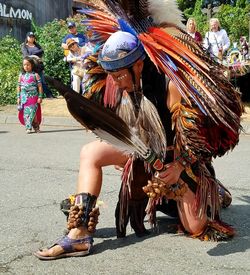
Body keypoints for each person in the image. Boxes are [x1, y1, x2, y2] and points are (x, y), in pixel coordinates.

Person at [34, 25, 241, 260]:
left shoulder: (171, 85)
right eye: (112, 76)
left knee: (195, 227)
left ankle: (213, 190)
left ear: (138, 65)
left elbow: (200, 140)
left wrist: (179, 167)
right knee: (91, 153)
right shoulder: (118, 82)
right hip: (145, 155)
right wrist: (124, 147)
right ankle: (79, 233)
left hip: (179, 160)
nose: (116, 82)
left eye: (120, 75)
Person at [21, 32, 54, 99]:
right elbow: (26, 56)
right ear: (27, 38)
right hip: (30, 67)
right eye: (30, 37)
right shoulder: (24, 46)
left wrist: (32, 54)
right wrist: (36, 55)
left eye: (33, 37)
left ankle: (49, 95)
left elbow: (42, 51)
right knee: (31, 82)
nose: (32, 38)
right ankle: (33, 96)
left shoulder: (37, 45)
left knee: (42, 81)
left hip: (39, 67)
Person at [17, 56, 43, 134]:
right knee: (26, 112)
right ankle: (28, 127)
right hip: (24, 97)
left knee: (33, 112)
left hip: (33, 96)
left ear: (32, 65)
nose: (26, 66)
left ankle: (36, 126)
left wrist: (40, 96)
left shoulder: (35, 75)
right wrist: (18, 97)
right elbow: (18, 86)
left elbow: (40, 86)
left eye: (28, 64)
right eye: (24, 65)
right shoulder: (21, 75)